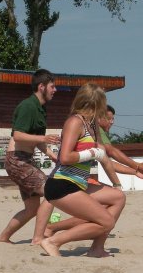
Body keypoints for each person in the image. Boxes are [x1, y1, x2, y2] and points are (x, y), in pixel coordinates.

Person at [43, 104, 143, 237]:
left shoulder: (93, 129)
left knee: (110, 205)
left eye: (113, 119)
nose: (112, 122)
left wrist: (134, 171)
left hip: (74, 181)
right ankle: (53, 236)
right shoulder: (89, 127)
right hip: (65, 181)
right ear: (99, 117)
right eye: (109, 118)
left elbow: (106, 161)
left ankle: (56, 230)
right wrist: (136, 166)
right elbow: (110, 152)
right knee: (104, 214)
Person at [41, 83, 126, 258]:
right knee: (107, 222)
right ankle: (53, 241)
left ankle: (97, 248)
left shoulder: (92, 125)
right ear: (97, 103)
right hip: (62, 185)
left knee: (118, 197)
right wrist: (90, 153)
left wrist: (117, 184)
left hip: (79, 183)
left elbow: (104, 157)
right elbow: (65, 157)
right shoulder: (75, 122)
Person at [0, 69, 60, 245]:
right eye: (52, 86)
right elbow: (18, 136)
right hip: (17, 160)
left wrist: (53, 156)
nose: (55, 90)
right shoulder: (27, 106)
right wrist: (44, 138)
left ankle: (3, 238)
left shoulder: (41, 109)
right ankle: (38, 238)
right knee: (52, 192)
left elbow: (37, 141)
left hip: (25, 160)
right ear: (41, 87)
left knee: (32, 209)